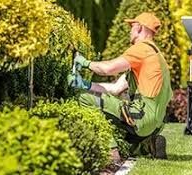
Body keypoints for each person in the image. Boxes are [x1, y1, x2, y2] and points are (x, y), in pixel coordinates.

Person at [68, 12, 172, 160]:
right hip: (155, 124)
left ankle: (111, 152)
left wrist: (85, 62)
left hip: (141, 118)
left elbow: (107, 69)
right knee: (127, 145)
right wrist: (84, 84)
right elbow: (116, 88)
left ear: (139, 28)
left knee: (83, 98)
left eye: (131, 27)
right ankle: (149, 143)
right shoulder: (156, 56)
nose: (129, 30)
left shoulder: (141, 49)